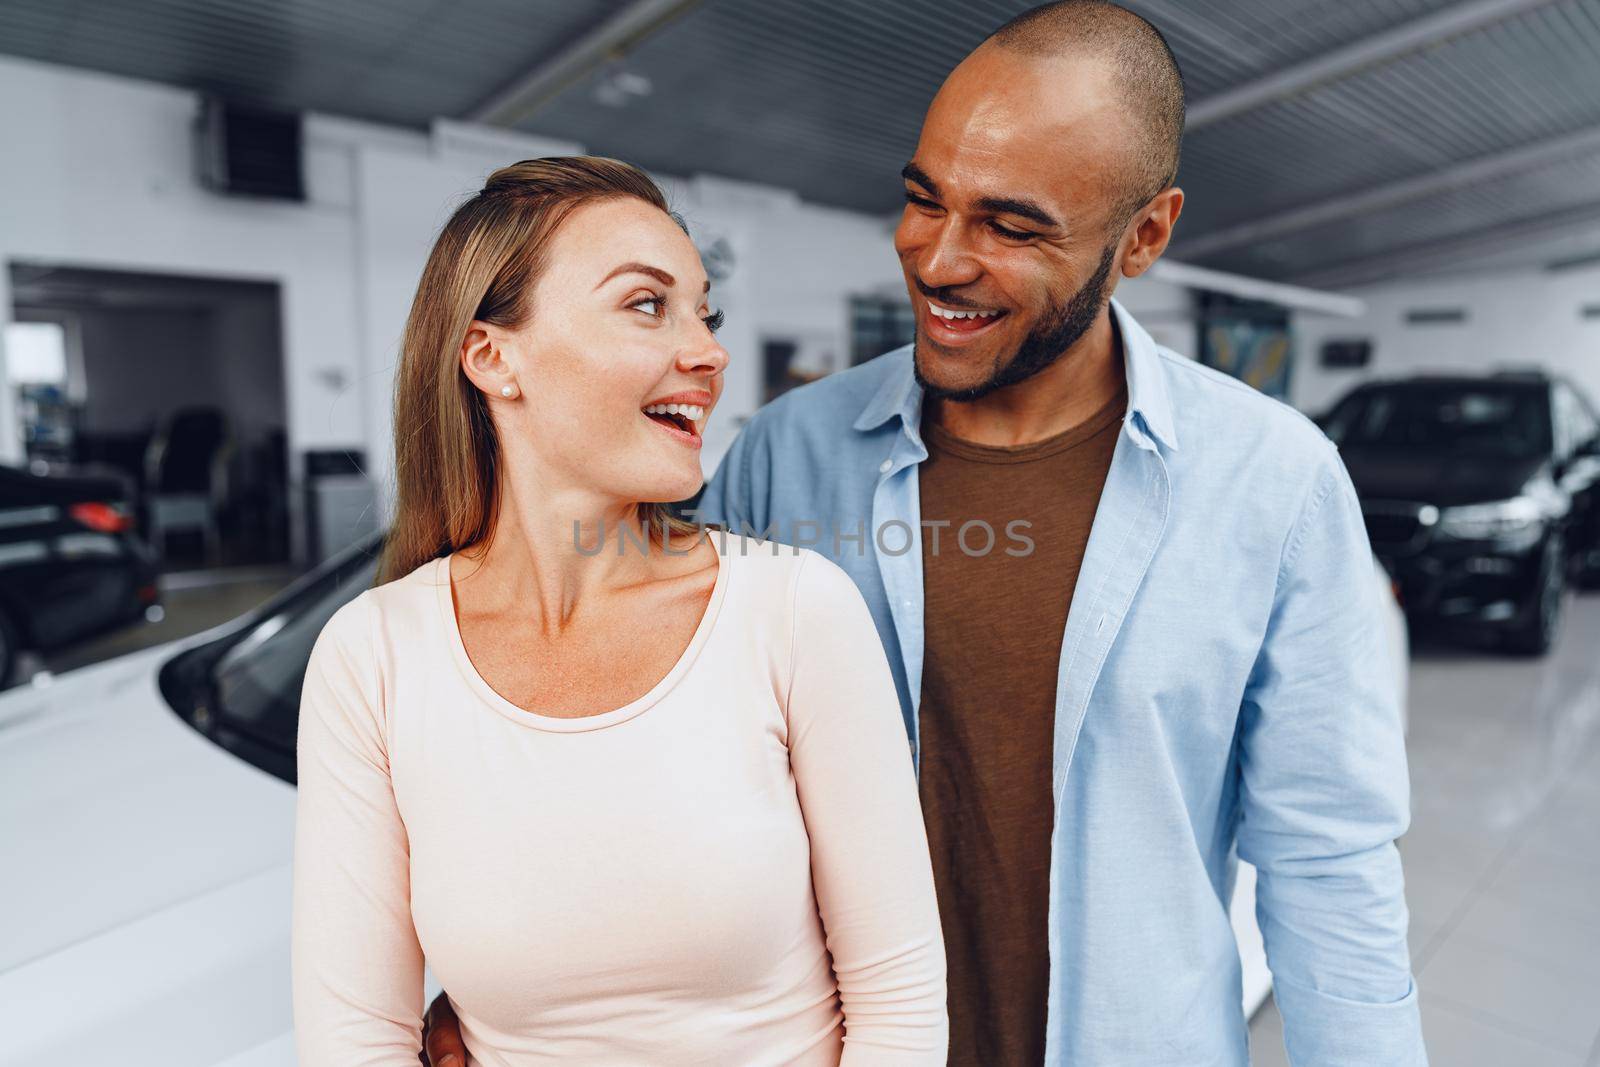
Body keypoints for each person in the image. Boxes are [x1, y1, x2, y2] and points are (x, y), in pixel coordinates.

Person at [424, 4, 1427, 1066]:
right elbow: (663, 770)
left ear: (1143, 235)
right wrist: (516, 997)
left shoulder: (1271, 482)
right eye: (921, 198)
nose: (938, 260)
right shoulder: (787, 455)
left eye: (1010, 224)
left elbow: (1328, 862)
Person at [292, 157, 948, 1065]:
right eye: (648, 305)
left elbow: (902, 1006)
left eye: (704, 312)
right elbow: (355, 1042)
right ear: (493, 356)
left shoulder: (794, 612)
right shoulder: (373, 657)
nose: (710, 352)